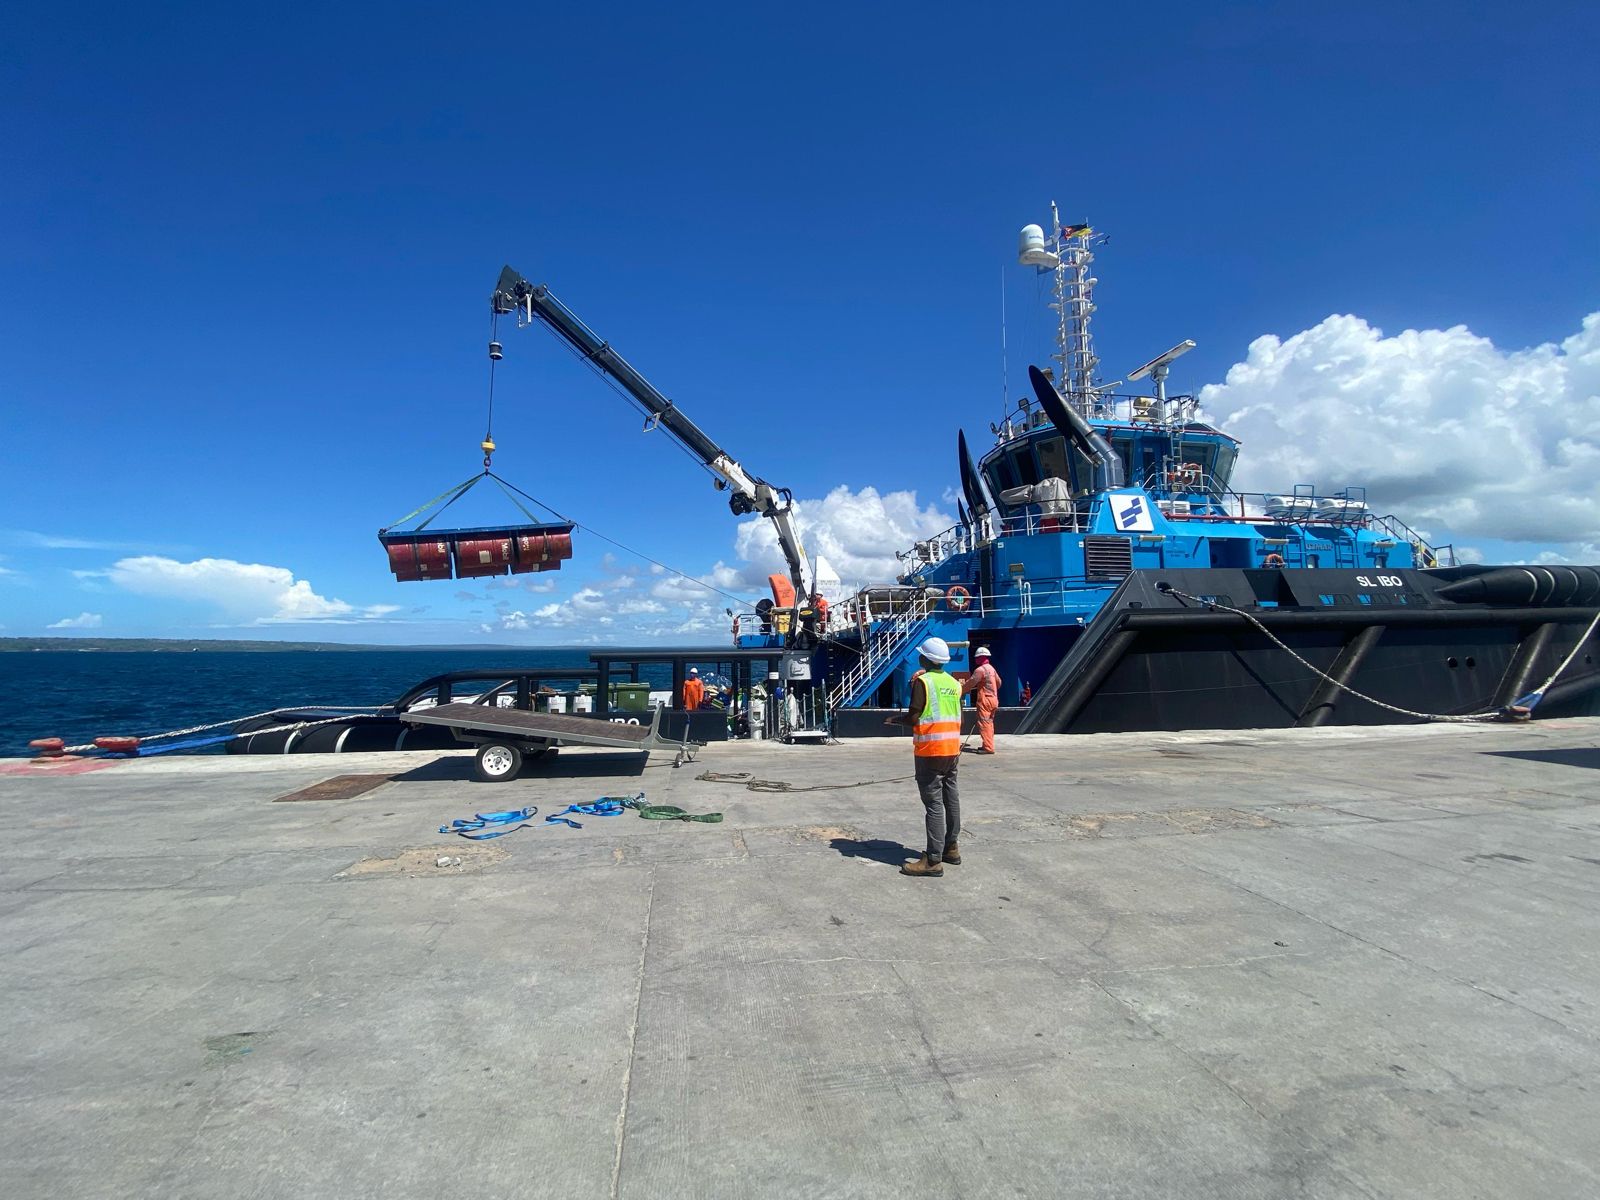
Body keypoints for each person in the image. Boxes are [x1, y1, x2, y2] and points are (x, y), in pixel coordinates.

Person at [886, 636, 961, 878]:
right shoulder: (953, 683)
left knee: (934, 804)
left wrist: (893, 720)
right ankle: (951, 847)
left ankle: (933, 860)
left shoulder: (923, 682)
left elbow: (915, 716)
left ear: (925, 658)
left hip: (930, 751)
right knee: (951, 798)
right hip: (952, 749)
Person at [961, 645, 1002, 755]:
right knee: (989, 723)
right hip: (994, 699)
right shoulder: (992, 669)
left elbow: (971, 683)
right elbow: (999, 683)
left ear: (980, 658)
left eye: (977, 657)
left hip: (985, 700)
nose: (975, 659)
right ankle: (987, 744)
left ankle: (988, 747)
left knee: (984, 723)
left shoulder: (980, 670)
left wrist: (960, 690)